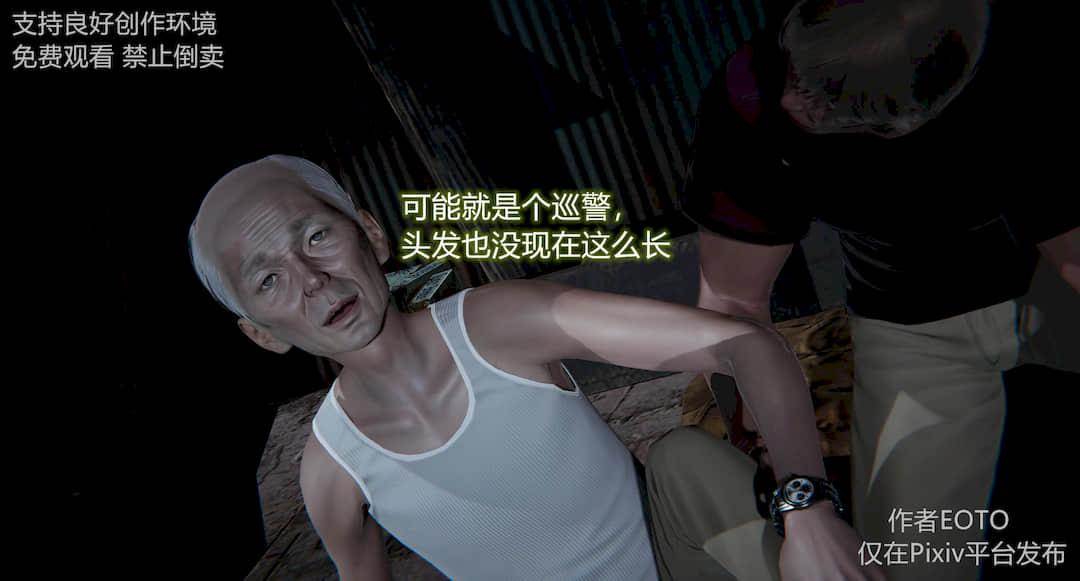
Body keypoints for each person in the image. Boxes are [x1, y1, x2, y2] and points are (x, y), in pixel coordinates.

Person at [188, 154, 883, 580]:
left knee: (684, 458)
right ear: (261, 333)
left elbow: (746, 345)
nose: (312, 281)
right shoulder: (331, 470)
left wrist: (808, 507)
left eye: (316, 237)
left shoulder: (497, 324)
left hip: (681, 566)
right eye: (269, 280)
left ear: (370, 232)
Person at [681, 1, 1078, 579]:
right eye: (797, 70)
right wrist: (794, 491)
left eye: (825, 97)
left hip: (1053, 292)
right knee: (908, 560)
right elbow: (732, 305)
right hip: (910, 319)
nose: (792, 100)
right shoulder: (753, 93)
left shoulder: (1031, 63)